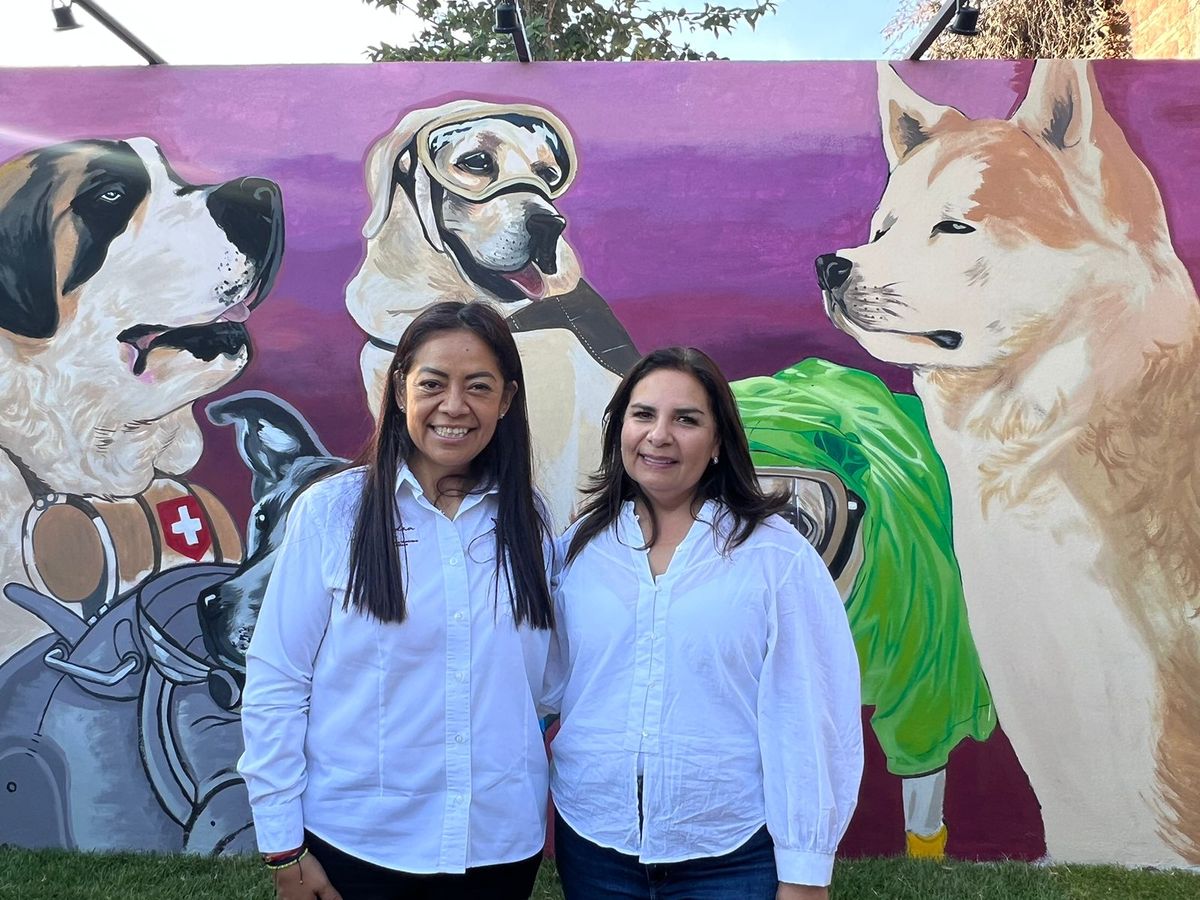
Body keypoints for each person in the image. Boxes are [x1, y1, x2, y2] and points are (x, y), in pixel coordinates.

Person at [238, 301, 555, 900]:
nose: (454, 406)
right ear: (400, 386)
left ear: (506, 400)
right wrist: (283, 846)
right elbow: (278, 678)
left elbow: (545, 678)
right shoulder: (334, 513)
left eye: (479, 387)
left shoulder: (528, 522)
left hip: (496, 848)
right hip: (358, 847)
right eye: (433, 383)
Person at [545, 347, 863, 900]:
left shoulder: (775, 558)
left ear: (718, 443)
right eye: (643, 415)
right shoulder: (579, 550)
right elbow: (542, 683)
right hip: (595, 843)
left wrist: (806, 873)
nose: (659, 435)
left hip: (728, 854)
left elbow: (810, 716)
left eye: (686, 419)